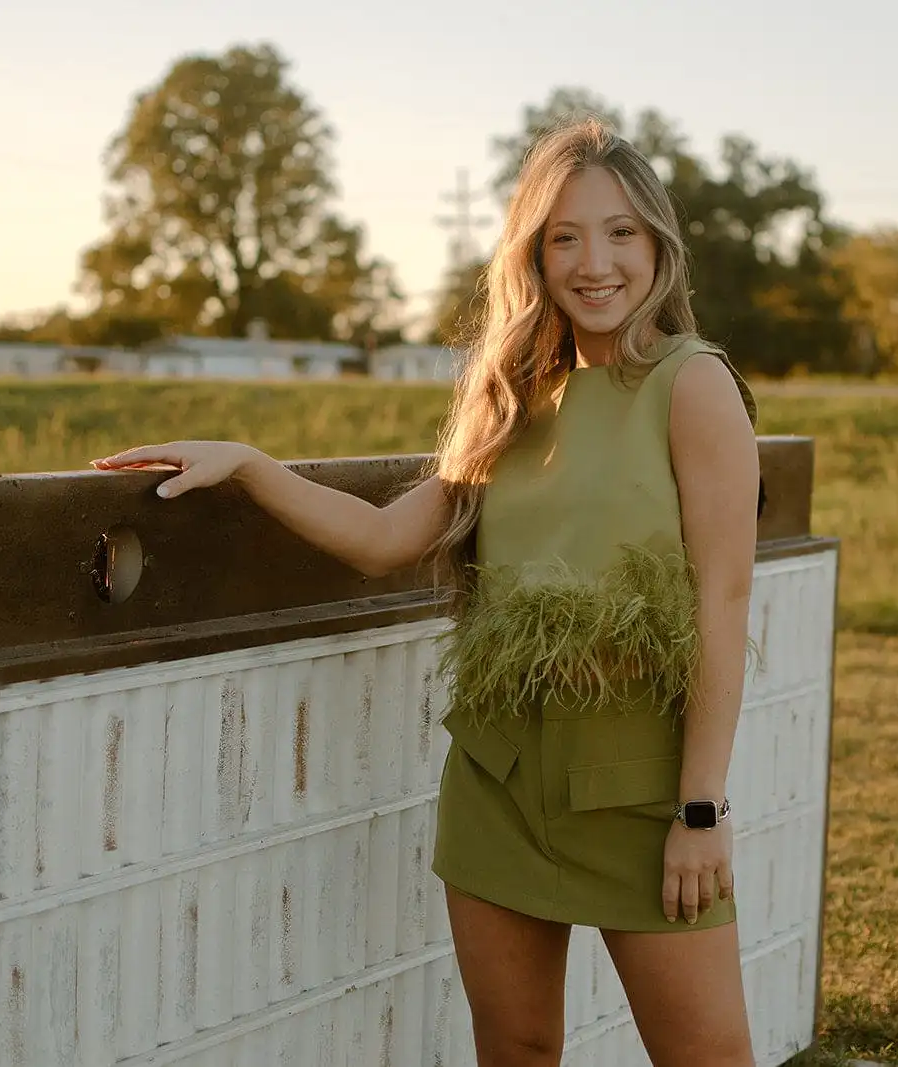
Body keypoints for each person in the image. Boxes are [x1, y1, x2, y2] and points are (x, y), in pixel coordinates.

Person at [90, 116, 763, 1067]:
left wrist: (702, 811)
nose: (594, 262)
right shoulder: (516, 399)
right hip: (498, 782)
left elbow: (722, 606)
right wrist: (246, 463)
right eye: (564, 236)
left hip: (644, 791)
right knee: (517, 1047)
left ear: (658, 243)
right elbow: (379, 540)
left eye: (620, 232)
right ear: (533, 256)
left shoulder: (695, 386)